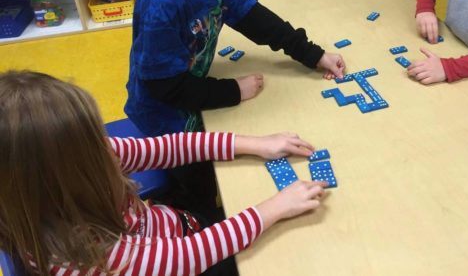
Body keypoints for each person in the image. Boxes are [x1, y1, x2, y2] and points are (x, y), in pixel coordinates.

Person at [125, 0, 344, 217]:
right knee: (201, 188)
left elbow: (254, 18)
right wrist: (232, 91)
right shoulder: (160, 3)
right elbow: (165, 88)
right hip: (167, 120)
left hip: (192, 95)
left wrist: (312, 54)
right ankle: (198, 228)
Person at [0, 70, 327, 275]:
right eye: (94, 144)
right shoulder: (89, 257)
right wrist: (276, 207)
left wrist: (254, 143)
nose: (108, 147)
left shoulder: (86, 162)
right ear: (62, 179)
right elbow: (189, 258)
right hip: (185, 257)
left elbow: (166, 148)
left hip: (174, 230)